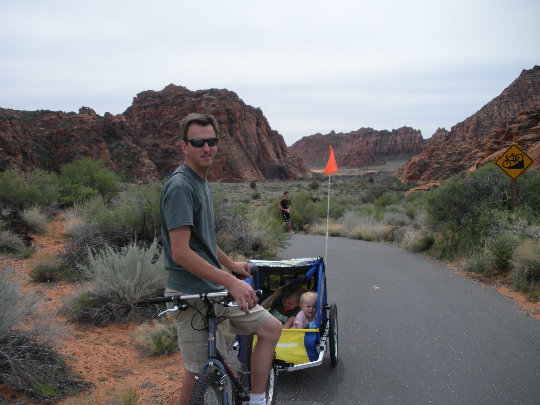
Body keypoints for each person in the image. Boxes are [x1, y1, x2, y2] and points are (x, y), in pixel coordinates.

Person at [160, 113, 282, 405]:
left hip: (213, 286)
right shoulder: (180, 187)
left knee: (271, 328)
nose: (207, 148)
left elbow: (203, 242)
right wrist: (232, 281)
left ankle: (256, 399)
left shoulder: (200, 181)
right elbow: (181, 252)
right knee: (197, 373)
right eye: (198, 141)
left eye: (211, 141)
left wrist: (231, 266)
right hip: (190, 294)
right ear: (184, 146)